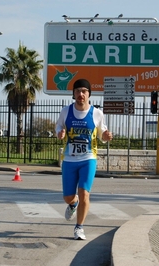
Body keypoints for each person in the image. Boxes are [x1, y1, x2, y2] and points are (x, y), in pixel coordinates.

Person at [56, 78, 113, 240]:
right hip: (69, 159)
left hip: (88, 158)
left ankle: (79, 227)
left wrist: (106, 136)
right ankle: (72, 204)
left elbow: (102, 134)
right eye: (78, 91)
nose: (81, 94)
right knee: (68, 196)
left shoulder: (96, 113)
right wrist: (60, 133)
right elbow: (59, 126)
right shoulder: (66, 111)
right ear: (73, 94)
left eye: (84, 91)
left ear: (89, 94)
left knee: (84, 193)